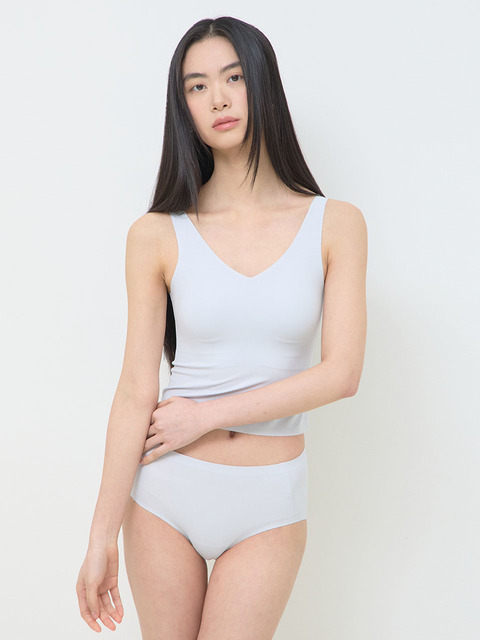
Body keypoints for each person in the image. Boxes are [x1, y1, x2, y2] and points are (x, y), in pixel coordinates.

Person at [76, 15, 367, 639]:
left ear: (262, 85)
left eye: (234, 78)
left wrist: (206, 415)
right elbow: (134, 391)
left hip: (268, 500)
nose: (218, 99)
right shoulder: (156, 234)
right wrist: (100, 537)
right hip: (164, 492)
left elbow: (342, 374)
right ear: (183, 106)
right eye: (197, 86)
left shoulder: (336, 224)